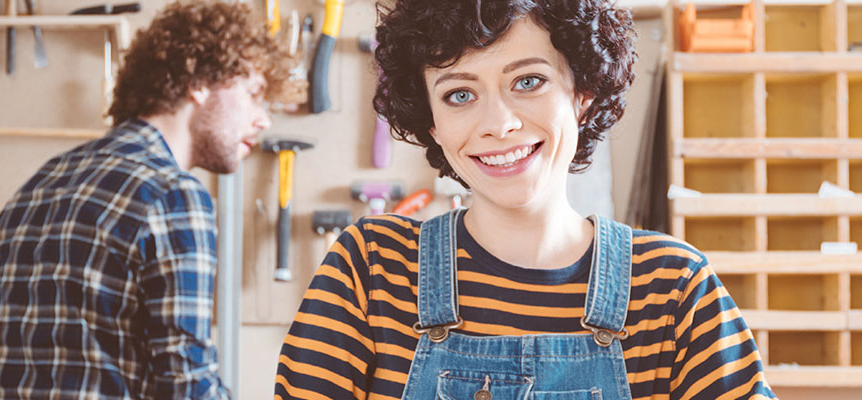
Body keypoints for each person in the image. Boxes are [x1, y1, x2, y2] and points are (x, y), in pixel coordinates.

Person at [274, 0, 774, 399]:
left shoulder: (671, 289)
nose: (498, 123)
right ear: (432, 122)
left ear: (583, 94)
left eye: (528, 81)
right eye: (460, 95)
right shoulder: (372, 269)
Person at [0, 2, 284, 398]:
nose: (264, 119)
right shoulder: (172, 194)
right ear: (200, 81)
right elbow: (187, 385)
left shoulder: (36, 187)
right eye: (254, 94)